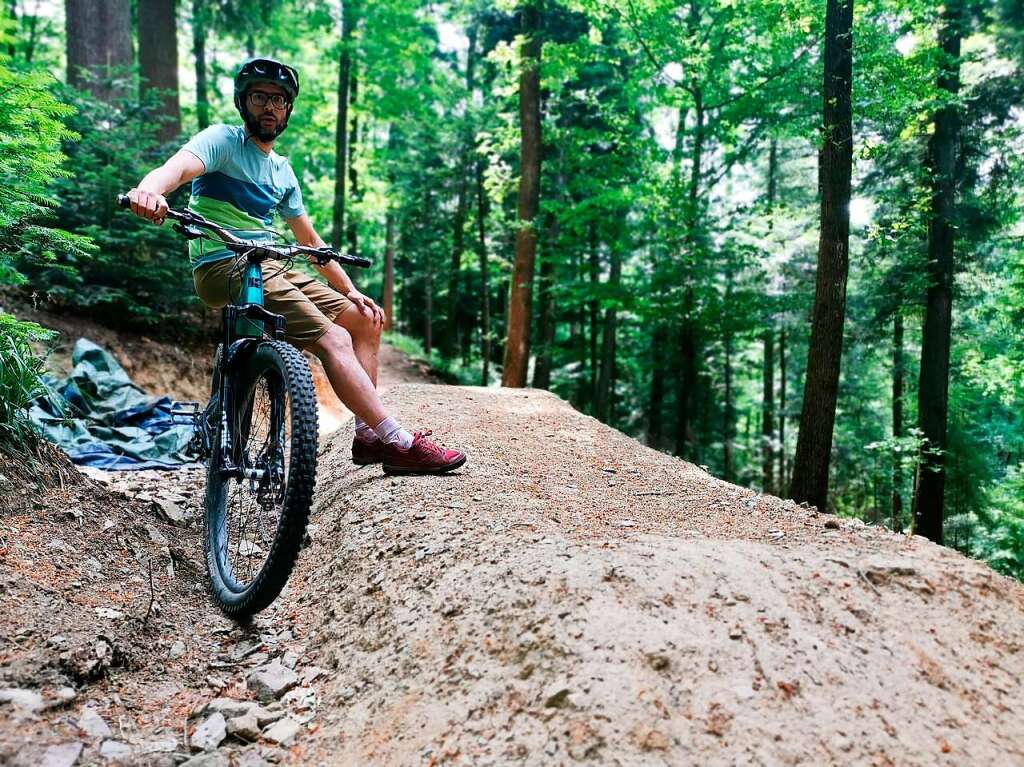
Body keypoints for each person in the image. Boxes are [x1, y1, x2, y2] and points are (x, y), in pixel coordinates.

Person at [126, 57, 465, 475]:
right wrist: (149, 191)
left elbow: (310, 242)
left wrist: (350, 290)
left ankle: (368, 437)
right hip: (221, 265)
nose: (269, 107)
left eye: (279, 100)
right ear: (242, 103)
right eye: (259, 97)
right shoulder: (221, 142)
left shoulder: (282, 171)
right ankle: (399, 440)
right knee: (335, 339)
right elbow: (174, 170)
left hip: (269, 264)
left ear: (287, 110)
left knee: (362, 319)